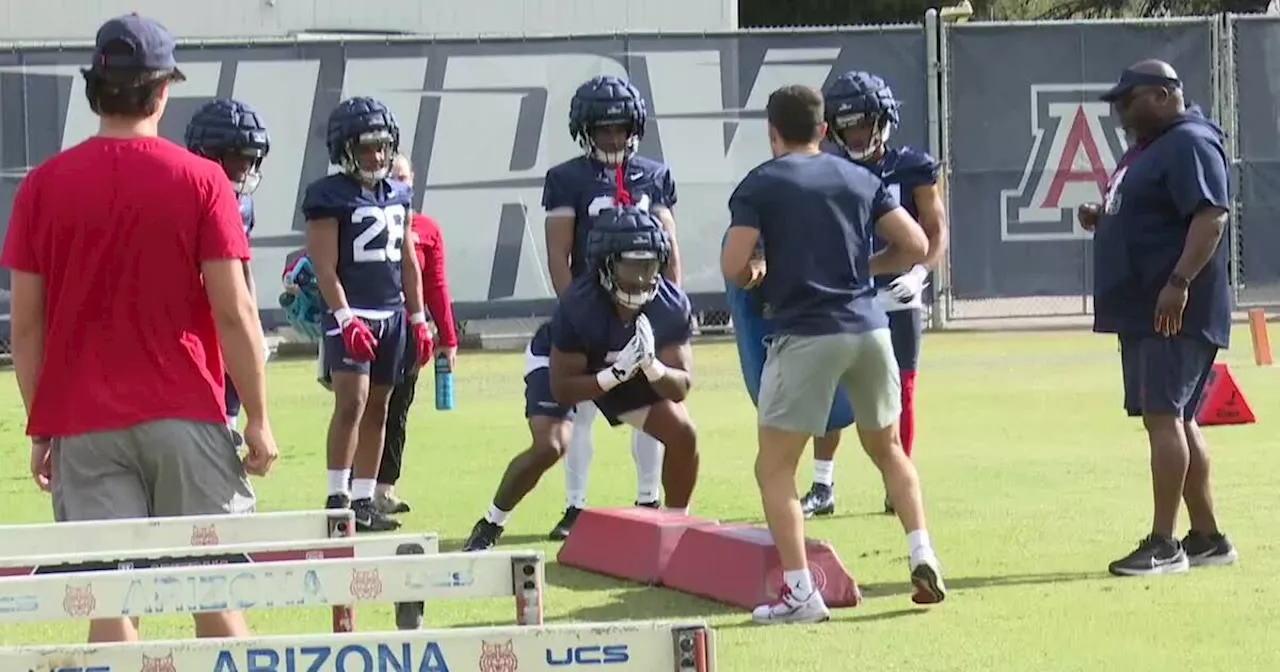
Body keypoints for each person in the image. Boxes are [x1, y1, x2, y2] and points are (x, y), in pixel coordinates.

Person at [0, 13, 277, 643]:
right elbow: (233, 312)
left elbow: (27, 329)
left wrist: (42, 425)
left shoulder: (43, 187)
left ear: (97, 90)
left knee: (110, 601)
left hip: (83, 422)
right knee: (213, 590)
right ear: (162, 91)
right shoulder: (204, 180)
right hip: (186, 412)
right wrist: (257, 415)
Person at [721, 84, 943, 625]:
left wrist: (757, 273)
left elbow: (733, 265)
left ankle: (801, 594)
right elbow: (915, 245)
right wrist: (859, 272)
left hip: (805, 334)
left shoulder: (761, 183)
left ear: (773, 133)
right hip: (869, 330)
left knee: (774, 469)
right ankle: (922, 553)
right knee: (889, 451)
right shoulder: (862, 177)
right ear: (824, 131)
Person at [462, 206, 698, 552]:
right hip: (567, 365)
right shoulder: (580, 304)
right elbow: (564, 387)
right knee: (550, 446)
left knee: (682, 433)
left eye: (649, 265)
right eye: (631, 265)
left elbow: (681, 387)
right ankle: (491, 523)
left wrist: (652, 368)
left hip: (626, 365)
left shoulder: (668, 303)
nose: (641, 277)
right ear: (605, 264)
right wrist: (615, 374)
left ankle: (676, 535)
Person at [1080, 60, 1237, 577]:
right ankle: (1208, 538)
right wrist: (1106, 217)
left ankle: (1164, 544)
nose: (1121, 112)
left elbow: (1210, 215)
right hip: (1146, 306)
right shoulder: (1150, 147)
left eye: (1130, 100)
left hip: (1173, 308)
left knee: (1164, 418)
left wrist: (1179, 283)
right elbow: (1155, 210)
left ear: (1165, 94)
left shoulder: (1189, 141)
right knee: (1178, 418)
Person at [801, 71, 951, 517]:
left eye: (864, 124)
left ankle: (895, 479)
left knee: (900, 388)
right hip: (845, 293)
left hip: (898, 293)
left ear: (884, 120)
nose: (857, 135)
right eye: (846, 127)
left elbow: (936, 230)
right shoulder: (829, 170)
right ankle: (822, 484)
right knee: (829, 389)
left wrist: (920, 275)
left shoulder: (913, 167)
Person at [540, 74, 683, 540]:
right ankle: (576, 506)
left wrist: (669, 307)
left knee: (652, 398)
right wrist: (575, 315)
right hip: (593, 307)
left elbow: (669, 246)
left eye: (621, 128)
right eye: (604, 129)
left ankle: (648, 499)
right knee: (581, 406)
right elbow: (559, 256)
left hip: (643, 303)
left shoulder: (654, 175)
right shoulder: (566, 179)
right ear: (585, 130)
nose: (615, 137)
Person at [304, 96, 432, 533]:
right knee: (352, 402)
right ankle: (337, 494)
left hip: (392, 313)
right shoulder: (328, 196)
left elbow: (409, 259)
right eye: (365, 148)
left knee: (380, 405)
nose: (376, 156)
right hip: (352, 312)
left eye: (381, 147)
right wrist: (342, 318)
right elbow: (324, 266)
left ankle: (365, 497)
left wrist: (419, 319)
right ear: (344, 149)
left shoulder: (399, 192)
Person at [724, 239, 856, 510]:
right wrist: (755, 267)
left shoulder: (826, 213)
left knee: (831, 400)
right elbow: (742, 264)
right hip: (773, 319)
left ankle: (822, 484)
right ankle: (785, 490)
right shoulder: (757, 207)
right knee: (778, 411)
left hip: (817, 310)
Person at [375, 153, 459, 515]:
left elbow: (436, 285)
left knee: (398, 409)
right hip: (368, 325)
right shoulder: (357, 218)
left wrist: (448, 337)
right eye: (392, 175)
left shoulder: (427, 228)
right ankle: (350, 488)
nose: (398, 182)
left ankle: (383, 488)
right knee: (361, 407)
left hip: (411, 330)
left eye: (404, 177)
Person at [185, 98, 272, 440]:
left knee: (229, 408)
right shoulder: (184, 192)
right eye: (239, 157)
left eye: (252, 158)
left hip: (224, 310)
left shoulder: (242, 204)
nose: (246, 167)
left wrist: (254, 323)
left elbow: (241, 264)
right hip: (183, 317)